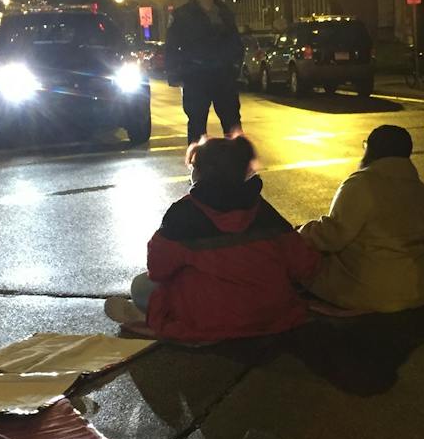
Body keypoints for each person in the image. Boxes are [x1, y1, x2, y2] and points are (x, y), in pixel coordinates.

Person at [104, 136, 320, 341]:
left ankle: (160, 318)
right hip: (271, 313)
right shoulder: (263, 209)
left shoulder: (183, 214)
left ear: (199, 172)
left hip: (210, 316)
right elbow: (303, 264)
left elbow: (158, 268)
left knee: (141, 285)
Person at [300, 124, 424, 312]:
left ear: (370, 149)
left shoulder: (361, 184)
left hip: (376, 289)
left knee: (308, 255)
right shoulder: (419, 188)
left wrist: (301, 231)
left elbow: (332, 236)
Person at [164, 0, 244, 147]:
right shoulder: (182, 15)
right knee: (197, 126)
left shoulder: (225, 13)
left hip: (223, 76)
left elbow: (236, 43)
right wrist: (175, 73)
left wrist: (235, 67)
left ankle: (240, 166)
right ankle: (197, 167)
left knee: (233, 125)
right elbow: (172, 46)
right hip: (196, 76)